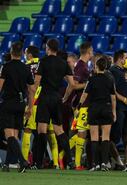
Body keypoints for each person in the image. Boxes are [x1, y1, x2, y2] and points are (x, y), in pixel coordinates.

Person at [34, 39, 76, 169]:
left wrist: (32, 98)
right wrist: (65, 97)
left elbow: (36, 82)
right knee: (59, 130)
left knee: (41, 130)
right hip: (57, 98)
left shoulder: (43, 61)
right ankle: (70, 161)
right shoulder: (63, 63)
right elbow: (72, 84)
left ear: (47, 48)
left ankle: (37, 162)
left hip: (44, 97)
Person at [0, 42, 35, 172]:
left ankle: (22, 161)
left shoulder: (5, 67)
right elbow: (31, 90)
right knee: (14, 136)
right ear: (21, 54)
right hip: (20, 104)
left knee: (9, 135)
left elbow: (0, 86)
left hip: (8, 103)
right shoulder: (26, 68)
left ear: (11, 51)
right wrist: (30, 107)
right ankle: (7, 164)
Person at [78, 57, 116, 171]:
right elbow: (113, 98)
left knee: (94, 138)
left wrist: (78, 106)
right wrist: (114, 112)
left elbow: (84, 94)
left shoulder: (91, 79)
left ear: (96, 66)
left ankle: (95, 164)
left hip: (94, 108)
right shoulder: (110, 79)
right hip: (106, 108)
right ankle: (104, 163)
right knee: (105, 137)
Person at [63, 42, 93, 170]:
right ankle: (76, 163)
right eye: (92, 50)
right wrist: (89, 84)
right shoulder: (81, 66)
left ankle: (63, 155)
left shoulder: (83, 65)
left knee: (81, 133)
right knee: (82, 133)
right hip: (82, 104)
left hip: (82, 104)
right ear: (88, 51)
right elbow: (74, 84)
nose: (93, 52)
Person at [109, 50, 127, 170]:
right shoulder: (113, 71)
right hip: (118, 108)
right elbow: (112, 90)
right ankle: (117, 162)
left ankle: (119, 162)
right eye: (126, 57)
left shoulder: (122, 71)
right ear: (120, 58)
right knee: (112, 138)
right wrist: (124, 99)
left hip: (125, 110)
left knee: (124, 137)